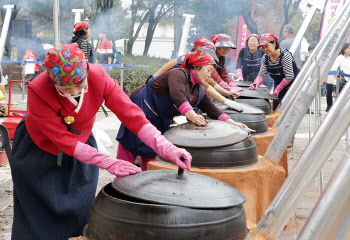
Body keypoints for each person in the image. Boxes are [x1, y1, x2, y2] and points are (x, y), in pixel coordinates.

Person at [9, 43, 192, 240]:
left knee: (79, 207)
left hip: (82, 148)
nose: (74, 92)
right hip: (39, 150)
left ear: (86, 70)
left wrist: (167, 148)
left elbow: (132, 116)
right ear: (53, 82)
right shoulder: (38, 89)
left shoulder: (99, 78)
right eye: (66, 88)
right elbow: (61, 139)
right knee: (39, 212)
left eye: (79, 85)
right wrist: (108, 162)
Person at [117, 50, 248, 170]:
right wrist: (192, 115)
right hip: (142, 108)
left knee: (152, 151)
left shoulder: (199, 89)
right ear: (196, 67)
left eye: (211, 72)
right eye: (208, 70)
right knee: (129, 147)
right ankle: (120, 181)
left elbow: (213, 110)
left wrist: (234, 124)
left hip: (159, 119)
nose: (209, 75)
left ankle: (145, 185)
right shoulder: (178, 74)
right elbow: (177, 95)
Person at [153, 36, 243, 111]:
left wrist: (226, 95)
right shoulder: (182, 62)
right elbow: (156, 77)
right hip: (158, 96)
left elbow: (208, 83)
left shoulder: (202, 66)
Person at [249, 33, 299, 111]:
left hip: (293, 86)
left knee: (289, 110)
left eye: (267, 46)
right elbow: (262, 74)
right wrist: (256, 83)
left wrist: (278, 88)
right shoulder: (265, 58)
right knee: (274, 108)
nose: (265, 49)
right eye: (262, 47)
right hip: (279, 85)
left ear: (274, 43)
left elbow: (289, 76)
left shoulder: (285, 55)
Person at [326, 43, 350, 112]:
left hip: (347, 80)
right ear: (344, 49)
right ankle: (331, 108)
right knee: (336, 94)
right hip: (338, 80)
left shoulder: (348, 59)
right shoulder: (339, 58)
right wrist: (338, 76)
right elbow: (334, 68)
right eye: (349, 48)